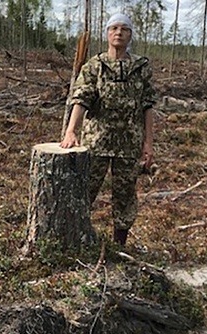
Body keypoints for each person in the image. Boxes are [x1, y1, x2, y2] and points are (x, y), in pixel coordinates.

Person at [60, 13, 157, 246]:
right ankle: (76, 241)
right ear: (107, 33)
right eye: (114, 28)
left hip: (129, 144)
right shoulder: (94, 66)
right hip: (97, 142)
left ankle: (118, 246)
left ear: (130, 35)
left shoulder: (140, 68)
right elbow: (82, 98)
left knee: (124, 197)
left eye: (124, 29)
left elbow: (148, 106)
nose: (118, 32)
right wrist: (72, 130)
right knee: (85, 191)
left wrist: (148, 143)